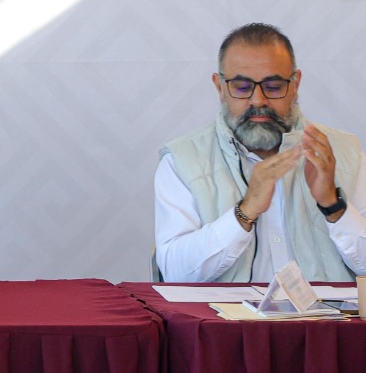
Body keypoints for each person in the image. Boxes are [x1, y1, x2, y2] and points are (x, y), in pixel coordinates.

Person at [155, 22, 366, 282]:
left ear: (295, 84)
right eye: (242, 88)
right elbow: (174, 273)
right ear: (220, 87)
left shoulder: (345, 152)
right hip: (224, 322)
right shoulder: (181, 160)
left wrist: (333, 204)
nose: (258, 100)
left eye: (274, 87)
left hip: (329, 320)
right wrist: (245, 211)